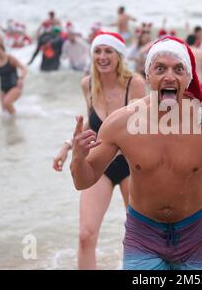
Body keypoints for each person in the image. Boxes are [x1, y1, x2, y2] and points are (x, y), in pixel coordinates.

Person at [69, 36, 202, 270]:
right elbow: (83, 181)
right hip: (143, 233)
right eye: (160, 68)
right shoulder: (120, 123)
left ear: (189, 77)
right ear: (148, 76)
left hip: (195, 233)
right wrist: (78, 157)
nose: (169, 76)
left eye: (178, 69)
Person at [53, 32, 146, 269]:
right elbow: (91, 123)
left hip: (130, 166)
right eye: (97, 51)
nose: (102, 57)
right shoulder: (88, 84)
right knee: (86, 235)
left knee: (138, 238)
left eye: (108, 51)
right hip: (99, 166)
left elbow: (143, 128)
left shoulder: (133, 83)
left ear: (119, 56)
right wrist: (67, 145)